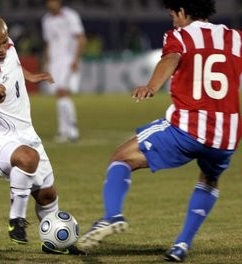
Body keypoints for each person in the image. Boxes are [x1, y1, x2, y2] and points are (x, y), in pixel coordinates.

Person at [77, 0, 241, 262]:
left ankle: (112, 215)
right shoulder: (234, 37)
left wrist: (152, 85)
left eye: (173, 15)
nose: (172, 21)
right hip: (226, 134)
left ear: (183, 12)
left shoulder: (180, 36)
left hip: (188, 129)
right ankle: (182, 245)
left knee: (121, 157)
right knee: (209, 179)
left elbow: (171, 58)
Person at [0, 15, 85, 255]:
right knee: (27, 158)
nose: (1, 49)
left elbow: (13, 65)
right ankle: (16, 220)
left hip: (26, 133)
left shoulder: (7, 45)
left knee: (48, 194)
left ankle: (55, 244)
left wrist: (28, 76)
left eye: (4, 42)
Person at [41, 0, 86, 142]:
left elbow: (81, 38)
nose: (51, 4)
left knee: (64, 92)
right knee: (59, 94)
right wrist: (47, 61)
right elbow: (48, 42)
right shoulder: (46, 19)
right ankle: (63, 130)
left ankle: (72, 129)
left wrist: (76, 59)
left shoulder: (70, 16)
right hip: (54, 61)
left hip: (68, 59)